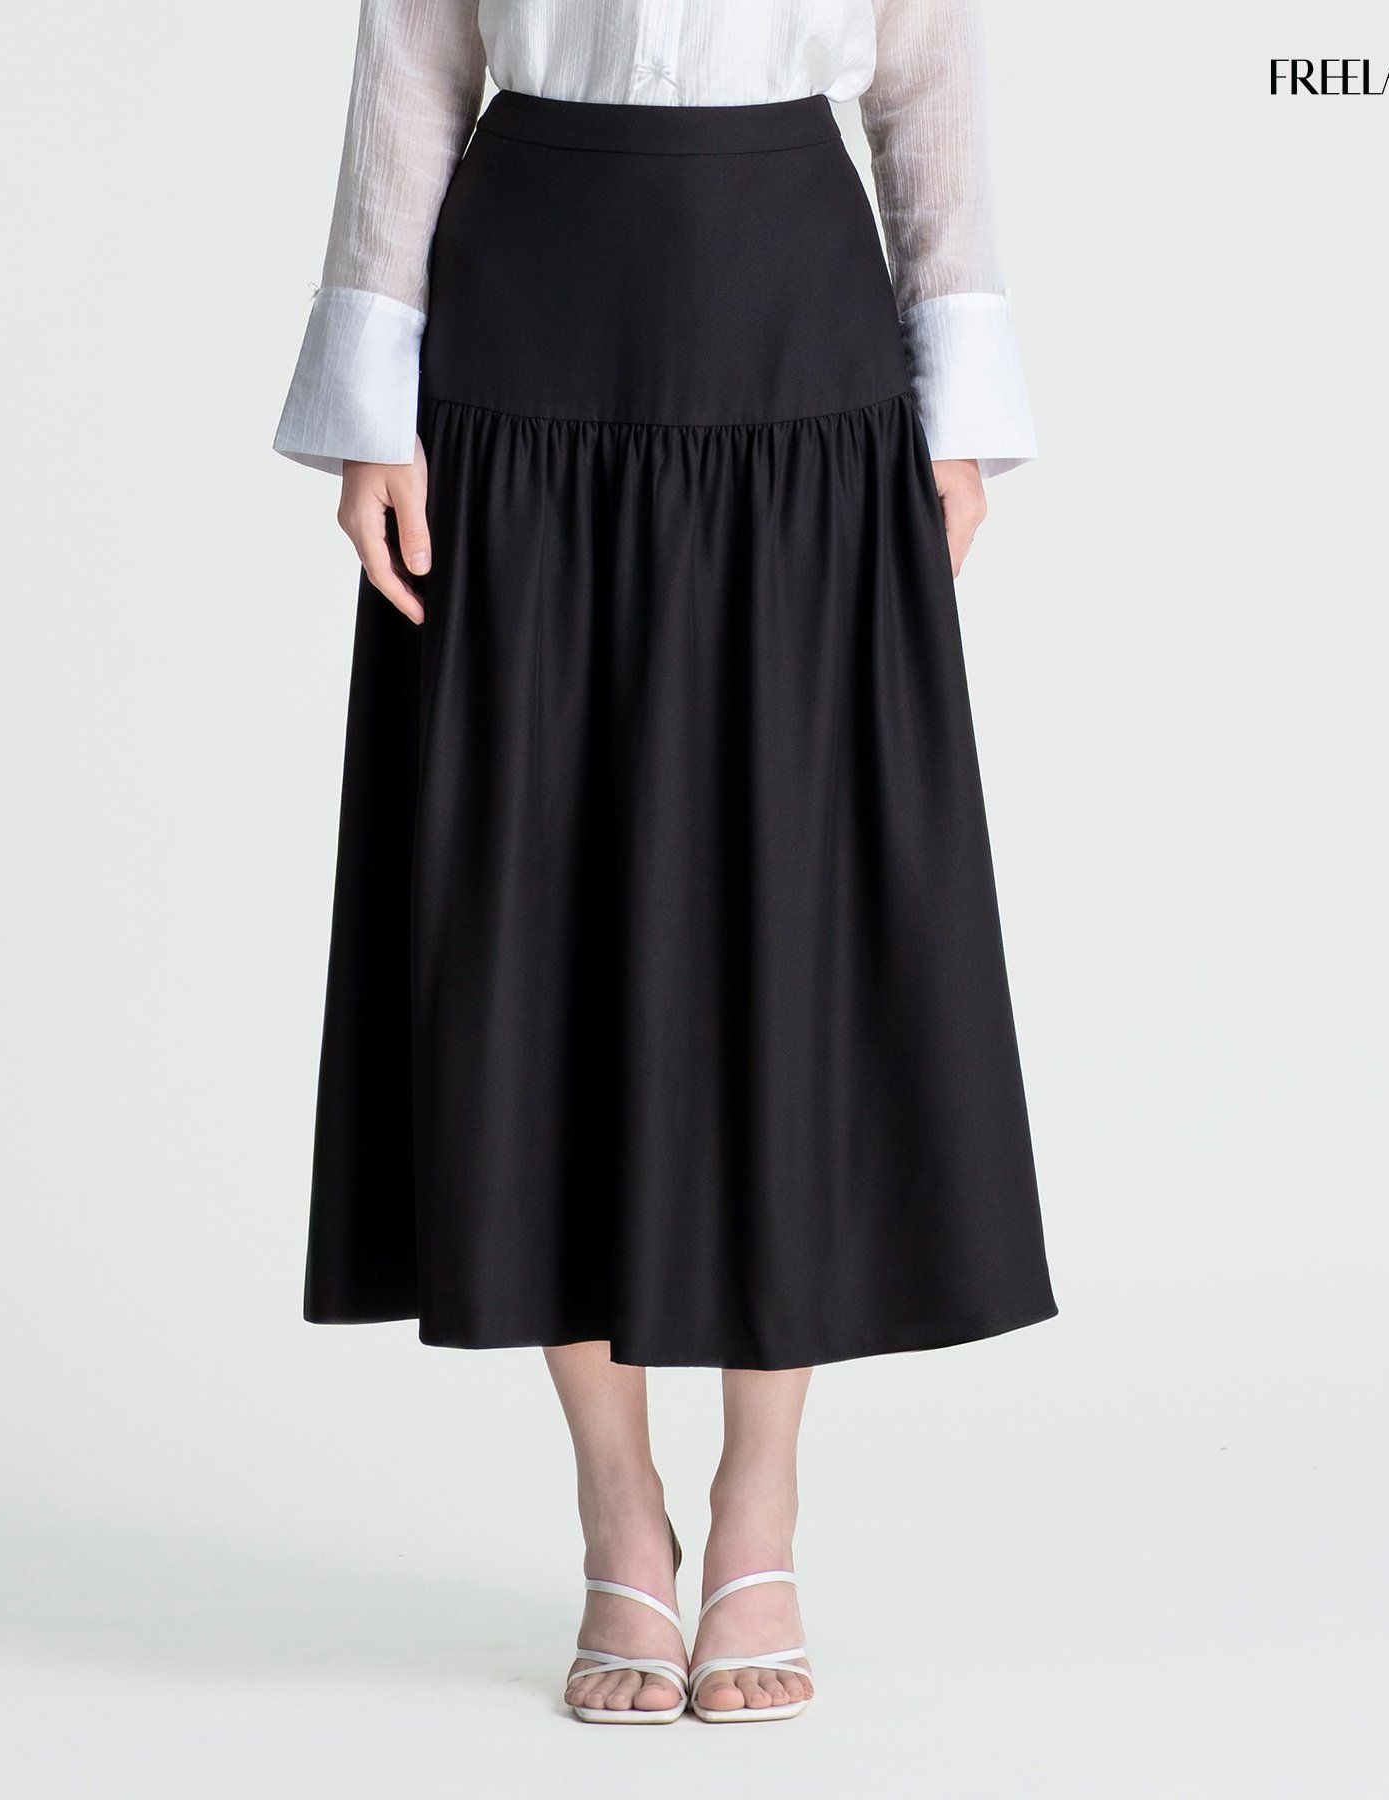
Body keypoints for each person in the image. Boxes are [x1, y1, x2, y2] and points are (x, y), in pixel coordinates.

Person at [275, 0, 1056, 1724]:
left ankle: (761, 1499)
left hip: (794, 344)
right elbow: (414, 59)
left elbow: (927, 75)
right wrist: (372, 402)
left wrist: (956, 399)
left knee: (787, 928)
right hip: (520, 351)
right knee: (532, 922)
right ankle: (616, 1503)